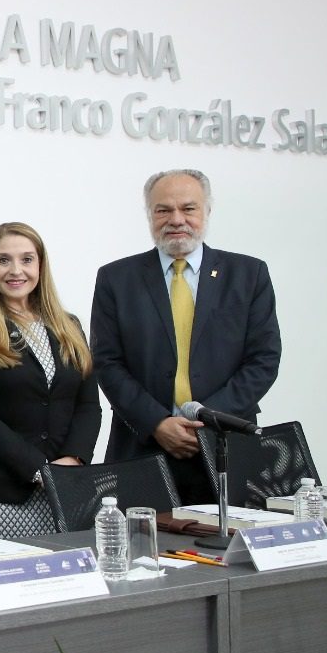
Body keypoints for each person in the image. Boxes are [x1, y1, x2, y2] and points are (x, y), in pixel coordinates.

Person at [91, 168, 280, 503]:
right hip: (143, 448)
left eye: (188, 208)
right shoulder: (116, 279)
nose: (176, 219)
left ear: (207, 211)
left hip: (225, 446)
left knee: (231, 536)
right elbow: (107, 362)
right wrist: (157, 423)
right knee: (142, 537)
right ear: (149, 215)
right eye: (163, 210)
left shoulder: (248, 274)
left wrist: (206, 420)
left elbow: (263, 359)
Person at [0, 222, 101, 537]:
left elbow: (88, 405)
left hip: (65, 487)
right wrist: (38, 468)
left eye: (27, 259)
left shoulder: (69, 325)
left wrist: (73, 460)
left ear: (40, 266)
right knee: (3, 569)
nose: (15, 270)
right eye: (4, 260)